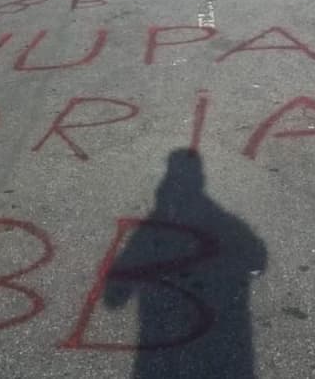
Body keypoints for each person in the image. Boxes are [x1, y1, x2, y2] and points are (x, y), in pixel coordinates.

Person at [104, 149, 267, 378]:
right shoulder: (229, 222)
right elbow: (257, 257)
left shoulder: (156, 221)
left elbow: (256, 257)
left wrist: (116, 291)